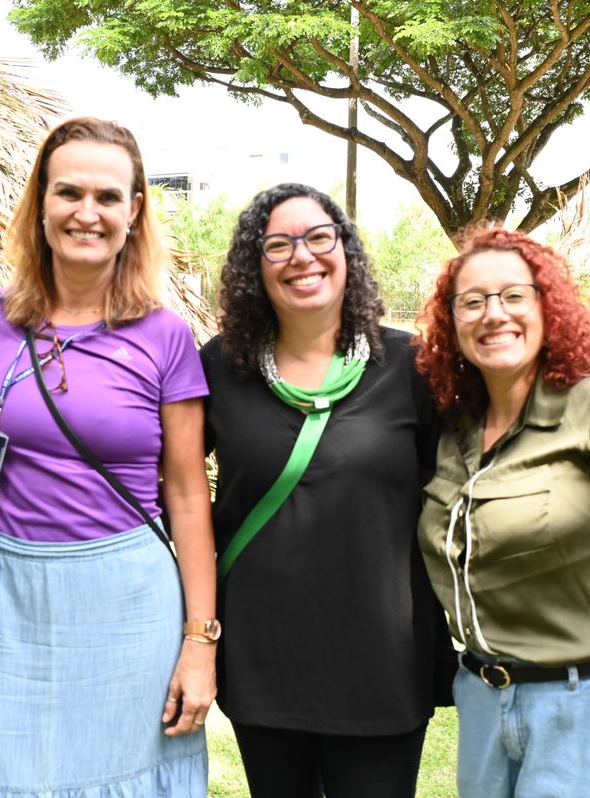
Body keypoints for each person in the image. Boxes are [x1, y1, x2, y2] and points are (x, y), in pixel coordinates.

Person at [0, 117, 216, 797]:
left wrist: (199, 643)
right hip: (5, 589)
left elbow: (186, 493)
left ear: (135, 211)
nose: (87, 213)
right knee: (0, 771)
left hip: (130, 594)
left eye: (108, 197)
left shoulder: (164, 336)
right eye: (69, 193)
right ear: (41, 203)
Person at [414, 227, 590, 798]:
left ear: (549, 308)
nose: (493, 314)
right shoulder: (455, 431)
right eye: (472, 301)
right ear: (451, 323)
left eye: (514, 296)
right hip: (484, 709)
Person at [200, 183, 454, 797]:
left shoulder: (411, 365)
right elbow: (173, 488)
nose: (302, 256)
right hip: (264, 655)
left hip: (382, 659)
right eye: (278, 244)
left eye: (318, 238)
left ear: (345, 250)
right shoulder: (220, 367)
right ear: (252, 267)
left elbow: (455, 484)